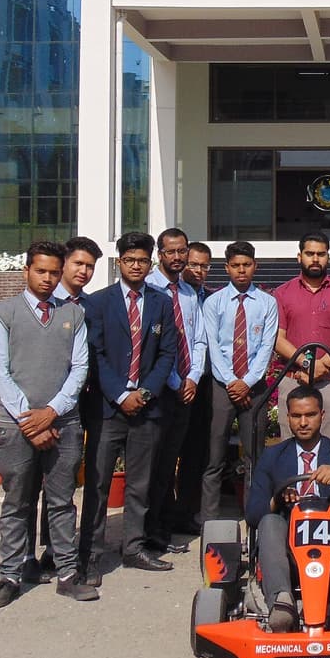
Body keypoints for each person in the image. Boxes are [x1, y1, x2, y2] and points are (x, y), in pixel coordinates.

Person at [0, 240, 96, 608]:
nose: (47, 278)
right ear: (26, 271)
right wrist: (31, 421)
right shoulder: (2, 314)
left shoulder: (73, 314)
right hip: (16, 427)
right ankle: (11, 575)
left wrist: (52, 412)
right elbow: (0, 372)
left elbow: (79, 368)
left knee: (62, 502)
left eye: (53, 272)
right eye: (40, 271)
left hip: (64, 423)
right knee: (17, 503)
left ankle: (67, 573)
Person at [77, 231, 178, 584]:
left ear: (151, 263)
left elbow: (167, 353)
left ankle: (134, 547)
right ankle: (90, 553)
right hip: (108, 409)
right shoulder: (98, 303)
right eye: (130, 260)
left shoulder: (161, 302)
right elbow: (95, 354)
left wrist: (145, 393)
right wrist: (121, 394)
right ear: (119, 262)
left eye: (142, 260)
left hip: (147, 409)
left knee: (140, 483)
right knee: (98, 484)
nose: (136, 266)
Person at [244, 384, 330, 632]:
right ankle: (281, 601)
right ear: (287, 418)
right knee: (269, 521)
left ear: (322, 415)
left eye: (310, 415)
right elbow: (253, 514)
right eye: (296, 416)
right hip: (288, 551)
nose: (303, 422)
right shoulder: (272, 456)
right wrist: (277, 499)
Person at [25, 235, 101, 583]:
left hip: (79, 405)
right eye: (78, 264)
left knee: (62, 484)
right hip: (40, 409)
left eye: (90, 266)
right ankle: (27, 556)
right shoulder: (39, 306)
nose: (83, 271)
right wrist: (43, 412)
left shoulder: (92, 306)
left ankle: (61, 552)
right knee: (28, 489)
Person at [200, 240, 279, 522]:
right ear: (227, 268)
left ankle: (254, 517)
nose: (241, 270)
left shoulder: (268, 303)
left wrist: (247, 381)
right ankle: (209, 520)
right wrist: (233, 382)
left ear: (255, 266)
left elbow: (267, 346)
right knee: (214, 455)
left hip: (254, 387)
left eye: (246, 265)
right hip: (222, 386)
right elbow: (212, 346)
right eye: (235, 265)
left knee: (254, 456)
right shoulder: (214, 302)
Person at [143, 228, 209, 552]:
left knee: (176, 458)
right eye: (171, 251)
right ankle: (152, 531)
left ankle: (172, 522)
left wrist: (193, 377)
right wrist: (173, 381)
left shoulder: (188, 292)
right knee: (156, 466)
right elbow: (155, 346)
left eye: (182, 251)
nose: (178, 257)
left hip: (187, 387)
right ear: (160, 254)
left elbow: (198, 340)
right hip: (159, 389)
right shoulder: (149, 289)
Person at [272, 231, 330, 441]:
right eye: (309, 253)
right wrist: (308, 364)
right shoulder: (282, 293)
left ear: (328, 257)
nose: (315, 259)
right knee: (290, 445)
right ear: (299, 256)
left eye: (321, 254)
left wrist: (321, 367)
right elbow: (277, 339)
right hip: (293, 379)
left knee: (329, 444)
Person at [172, 240, 215, 532]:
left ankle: (186, 512)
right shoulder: (171, 295)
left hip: (204, 383)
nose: (198, 271)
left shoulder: (212, 299)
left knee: (196, 452)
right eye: (194, 264)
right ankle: (164, 514)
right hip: (172, 383)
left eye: (204, 266)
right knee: (167, 451)